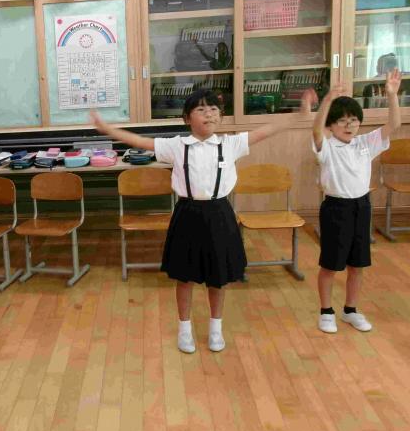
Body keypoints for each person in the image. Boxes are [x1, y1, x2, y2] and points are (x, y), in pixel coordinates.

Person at [91, 88, 308, 353]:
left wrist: (299, 115)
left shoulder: (230, 144)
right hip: (187, 214)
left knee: (218, 276)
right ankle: (184, 329)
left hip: (220, 214)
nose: (209, 114)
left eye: (214, 109)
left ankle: (216, 328)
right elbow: (138, 141)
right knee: (185, 276)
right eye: (201, 109)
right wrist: (106, 128)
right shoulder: (176, 146)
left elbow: (267, 130)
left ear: (221, 117)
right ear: (187, 118)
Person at [308, 70, 402, 335]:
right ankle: (326, 311)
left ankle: (350, 310)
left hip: (362, 206)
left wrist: (392, 95)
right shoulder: (326, 146)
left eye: (353, 120)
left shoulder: (365, 143)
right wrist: (327, 101)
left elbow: (394, 125)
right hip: (336, 208)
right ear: (331, 126)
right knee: (330, 265)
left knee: (357, 264)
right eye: (342, 121)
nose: (349, 125)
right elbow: (316, 130)